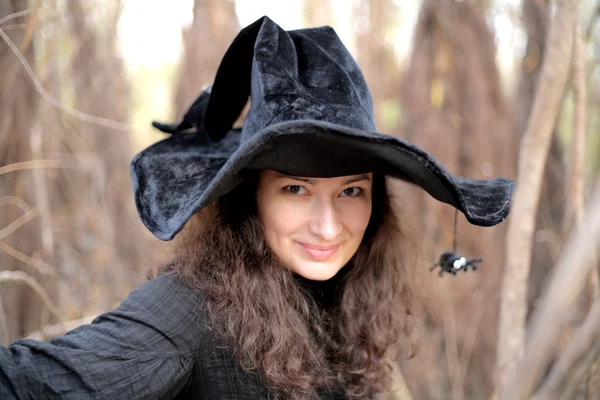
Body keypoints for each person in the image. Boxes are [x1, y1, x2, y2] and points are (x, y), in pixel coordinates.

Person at [0, 16, 515, 400]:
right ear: (252, 197)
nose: (329, 225)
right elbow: (32, 382)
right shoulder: (187, 312)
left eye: (351, 191)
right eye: (296, 189)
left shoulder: (345, 289)